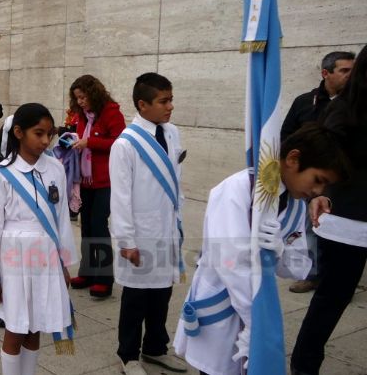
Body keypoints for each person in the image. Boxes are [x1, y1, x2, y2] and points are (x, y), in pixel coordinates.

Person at [174, 124, 349, 375]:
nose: (318, 191)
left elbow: (300, 268)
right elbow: (230, 263)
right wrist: (258, 323)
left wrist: (280, 250)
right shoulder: (237, 189)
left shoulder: (297, 205)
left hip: (257, 309)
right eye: (318, 180)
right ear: (293, 158)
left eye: (325, 186)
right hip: (222, 307)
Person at [0, 103, 79, 375]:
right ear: (19, 132)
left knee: (36, 326)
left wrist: (65, 263)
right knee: (15, 328)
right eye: (39, 133)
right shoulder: (2, 175)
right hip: (14, 259)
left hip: (46, 257)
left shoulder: (55, 168)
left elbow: (60, 221)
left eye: (50, 134)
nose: (46, 141)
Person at [291, 45, 367, 375]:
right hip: (347, 219)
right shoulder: (345, 110)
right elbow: (318, 155)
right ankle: (305, 365)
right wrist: (317, 195)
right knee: (332, 298)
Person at [109, 73, 186, 375]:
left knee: (162, 293)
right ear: (142, 105)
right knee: (136, 297)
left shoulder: (172, 133)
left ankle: (155, 347)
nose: (170, 107)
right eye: (163, 101)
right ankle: (128, 355)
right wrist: (126, 241)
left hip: (166, 227)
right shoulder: (125, 144)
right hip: (140, 232)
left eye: (170, 99)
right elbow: (121, 198)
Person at [280, 51, 355, 294]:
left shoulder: (355, 106)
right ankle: (311, 275)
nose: (350, 76)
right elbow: (286, 135)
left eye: (353, 70)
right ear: (326, 73)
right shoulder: (305, 102)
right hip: (310, 179)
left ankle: (339, 279)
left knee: (339, 231)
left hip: (342, 182)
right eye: (344, 70)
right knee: (311, 228)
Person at [67, 74, 126, 298]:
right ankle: (88, 271)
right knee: (87, 226)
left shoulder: (111, 112)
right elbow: (81, 136)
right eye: (77, 99)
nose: (80, 102)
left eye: (83, 97)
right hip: (85, 179)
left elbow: (121, 142)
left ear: (93, 93)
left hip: (105, 180)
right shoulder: (82, 115)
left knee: (99, 225)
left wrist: (89, 142)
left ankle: (104, 278)